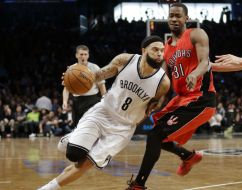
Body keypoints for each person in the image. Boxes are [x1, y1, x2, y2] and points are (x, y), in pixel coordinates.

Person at [38, 35, 170, 190]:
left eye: (162, 50)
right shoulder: (125, 60)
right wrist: (73, 79)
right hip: (103, 112)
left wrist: (135, 121)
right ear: (143, 50)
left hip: (123, 128)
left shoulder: (163, 83)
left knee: (86, 163)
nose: (160, 53)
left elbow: (152, 107)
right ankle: (72, 139)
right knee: (73, 154)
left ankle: (47, 188)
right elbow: (99, 75)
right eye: (155, 49)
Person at [126, 3, 216, 189]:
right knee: (157, 134)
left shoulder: (196, 34)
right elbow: (164, 81)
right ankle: (188, 156)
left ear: (186, 19)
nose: (174, 19)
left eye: (178, 16)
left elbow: (205, 62)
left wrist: (194, 74)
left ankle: (138, 185)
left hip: (201, 98)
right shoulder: (166, 49)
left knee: (155, 136)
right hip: (181, 99)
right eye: (171, 16)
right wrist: (154, 101)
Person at [62, 45, 106, 128]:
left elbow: (102, 87)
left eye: (85, 54)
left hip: (92, 101)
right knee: (77, 128)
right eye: (81, 54)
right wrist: (65, 101)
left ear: (88, 55)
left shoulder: (95, 68)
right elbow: (66, 89)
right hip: (77, 102)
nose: (83, 56)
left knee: (89, 127)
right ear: (76, 55)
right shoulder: (71, 69)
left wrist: (105, 101)